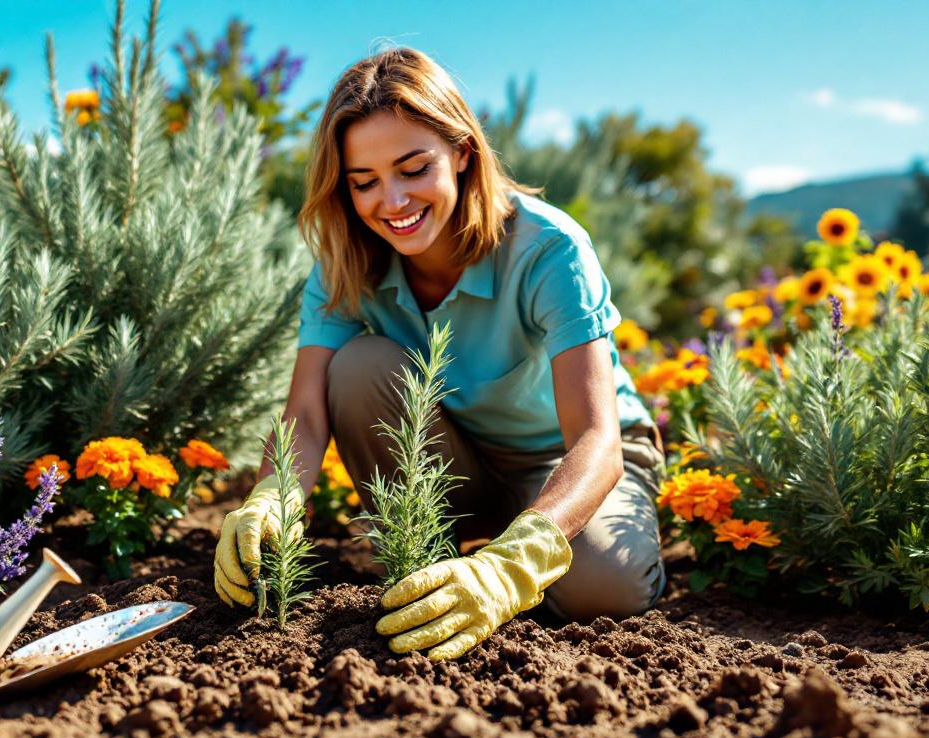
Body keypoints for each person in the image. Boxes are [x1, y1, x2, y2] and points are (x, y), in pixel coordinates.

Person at [213, 47, 665, 661]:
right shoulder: (344, 265)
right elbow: (308, 413)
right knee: (357, 367)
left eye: (413, 168)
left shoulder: (549, 248)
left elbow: (596, 439)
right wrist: (273, 495)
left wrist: (513, 565)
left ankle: (495, 570)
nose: (392, 201)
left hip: (564, 460)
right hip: (451, 461)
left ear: (462, 151)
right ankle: (437, 568)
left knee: (604, 587)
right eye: (364, 182)